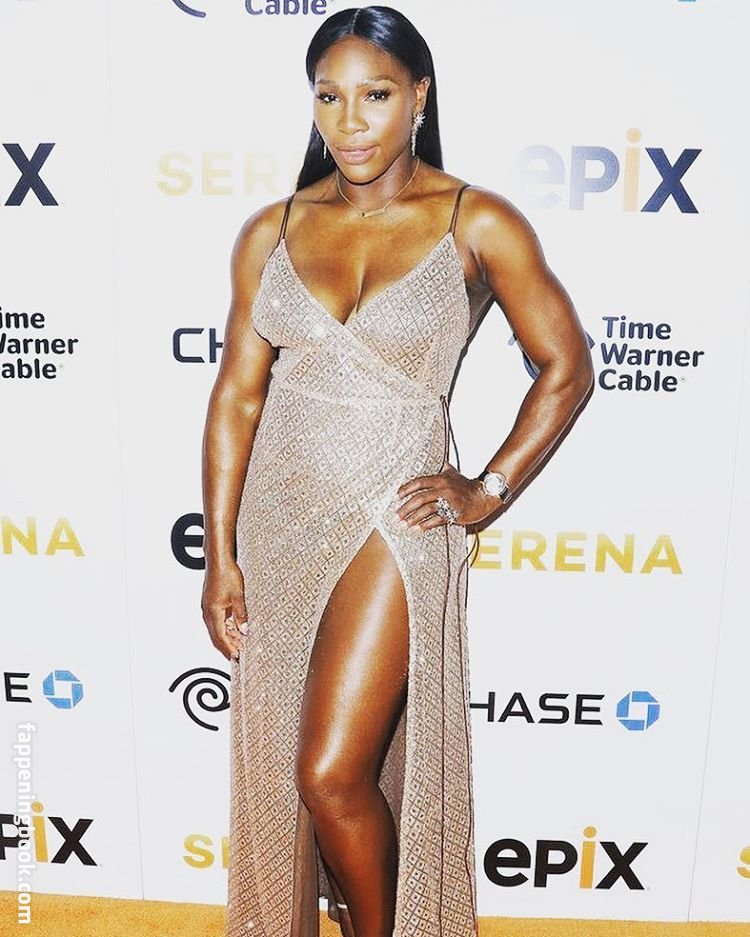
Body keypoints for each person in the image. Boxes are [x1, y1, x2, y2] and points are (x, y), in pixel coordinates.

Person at [201, 6, 594, 937]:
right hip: (280, 514)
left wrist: (488, 487)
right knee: (284, 772)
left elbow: (567, 366)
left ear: (418, 96)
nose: (351, 121)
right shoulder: (272, 230)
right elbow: (237, 399)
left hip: (395, 510)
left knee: (330, 772)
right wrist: (219, 555)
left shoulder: (475, 219)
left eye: (374, 95)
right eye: (329, 97)